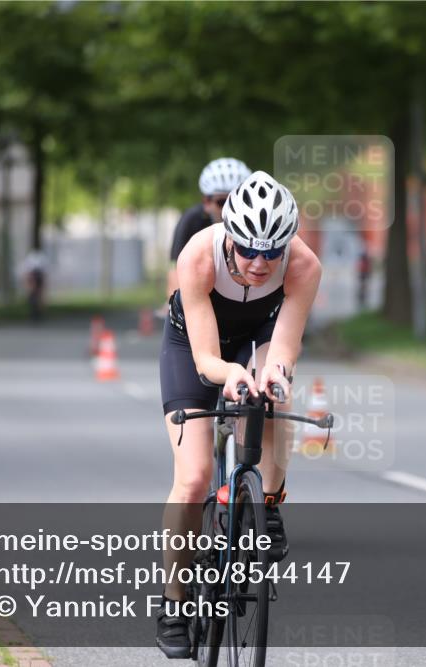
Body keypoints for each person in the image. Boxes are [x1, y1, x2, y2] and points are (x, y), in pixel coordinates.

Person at [156, 171, 322, 658]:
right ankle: (174, 599)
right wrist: (230, 373)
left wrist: (273, 374)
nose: (258, 262)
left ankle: (267, 504)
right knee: (193, 478)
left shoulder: (303, 267)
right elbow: (208, 360)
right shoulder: (199, 257)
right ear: (228, 236)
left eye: (272, 252)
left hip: (260, 334)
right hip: (194, 346)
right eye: (248, 250)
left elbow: (284, 347)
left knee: (274, 394)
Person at [166, 157, 252, 299]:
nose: (230, 208)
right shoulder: (191, 220)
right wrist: (176, 303)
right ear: (207, 202)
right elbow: (175, 269)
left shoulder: (258, 222)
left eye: (238, 200)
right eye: (222, 202)